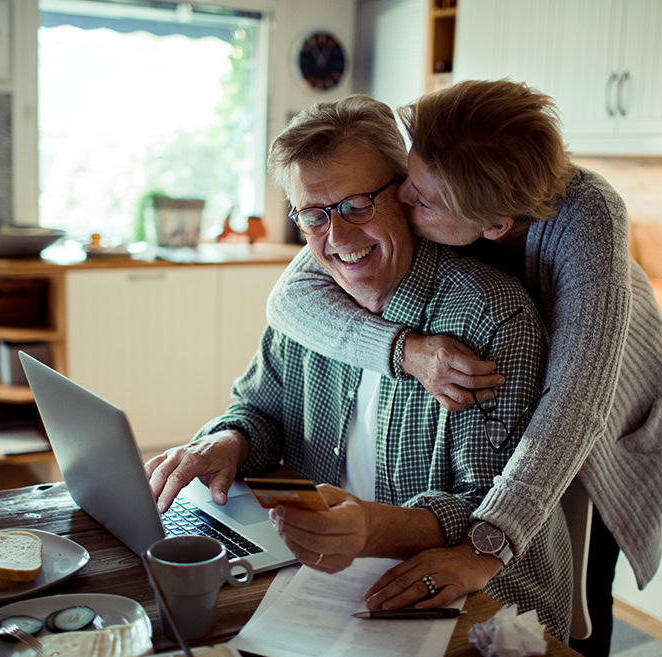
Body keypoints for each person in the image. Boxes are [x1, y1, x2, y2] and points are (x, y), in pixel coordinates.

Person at [265, 79, 662, 657]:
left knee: (582, 599)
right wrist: (406, 350)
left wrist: (483, 550)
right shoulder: (453, 182)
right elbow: (289, 296)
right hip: (553, 399)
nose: (401, 203)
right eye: (402, 185)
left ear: (491, 226)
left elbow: (576, 405)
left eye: (417, 199)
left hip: (613, 422)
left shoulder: (585, 220)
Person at [145, 94, 573, 640]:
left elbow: (492, 508)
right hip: (324, 582)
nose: (337, 240)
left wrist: (370, 530)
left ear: (407, 193)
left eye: (355, 206)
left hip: (478, 603)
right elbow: (257, 407)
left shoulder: (489, 317)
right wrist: (226, 442)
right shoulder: (310, 300)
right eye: (314, 216)